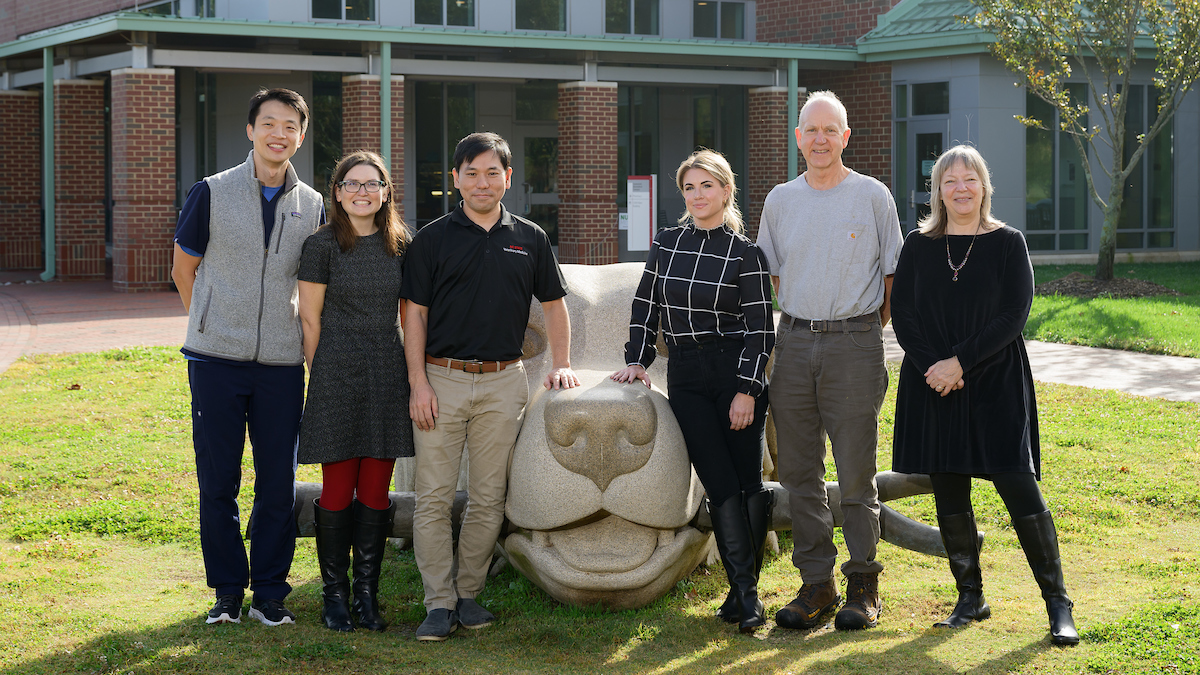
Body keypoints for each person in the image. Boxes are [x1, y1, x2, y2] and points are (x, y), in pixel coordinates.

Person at [890, 145, 1079, 645]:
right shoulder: (918, 244)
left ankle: (1058, 603)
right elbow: (903, 313)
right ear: (938, 190)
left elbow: (1014, 314)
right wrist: (935, 365)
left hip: (995, 382)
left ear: (984, 186)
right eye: (950, 180)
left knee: (1018, 485)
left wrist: (960, 361)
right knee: (949, 486)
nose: (960, 188)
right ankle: (970, 598)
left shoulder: (1008, 243)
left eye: (969, 179)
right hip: (932, 381)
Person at [401, 132, 580, 641]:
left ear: (507, 178)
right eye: (472, 172)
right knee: (433, 497)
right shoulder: (431, 240)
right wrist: (418, 382)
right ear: (455, 178)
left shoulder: (531, 237)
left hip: (505, 382)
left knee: (488, 497)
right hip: (441, 379)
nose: (483, 182)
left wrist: (562, 363)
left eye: (493, 173)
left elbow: (553, 304)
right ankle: (437, 602)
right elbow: (413, 314)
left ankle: (468, 594)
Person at [171, 88, 324, 626]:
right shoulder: (211, 192)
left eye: (290, 127)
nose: (279, 134)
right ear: (251, 129)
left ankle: (270, 593)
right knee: (218, 482)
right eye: (270, 124)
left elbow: (312, 285)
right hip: (214, 361)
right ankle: (228, 593)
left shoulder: (313, 205)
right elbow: (183, 268)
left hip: (281, 365)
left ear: (300, 137)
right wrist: (210, 325)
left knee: (277, 483)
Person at [757, 90, 904, 631]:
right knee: (799, 472)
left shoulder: (872, 196)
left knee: (856, 471)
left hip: (854, 344)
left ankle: (864, 583)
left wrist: (860, 332)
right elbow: (770, 278)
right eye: (810, 130)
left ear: (846, 137)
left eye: (830, 130)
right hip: (792, 343)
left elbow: (893, 278)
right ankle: (817, 583)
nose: (820, 139)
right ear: (798, 139)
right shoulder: (780, 200)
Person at [611, 150, 775, 633]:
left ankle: (743, 593)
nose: (698, 195)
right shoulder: (668, 244)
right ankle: (746, 593)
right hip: (684, 375)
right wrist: (637, 361)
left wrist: (747, 391)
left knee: (746, 481)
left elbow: (761, 331)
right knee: (719, 482)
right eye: (690, 187)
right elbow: (646, 305)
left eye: (707, 186)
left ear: (726, 191)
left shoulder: (746, 254)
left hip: (734, 373)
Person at [296, 151, 412, 633]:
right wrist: (321, 372)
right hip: (336, 372)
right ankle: (334, 596)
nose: (362, 191)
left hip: (387, 369)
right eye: (352, 183)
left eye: (372, 183)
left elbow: (411, 315)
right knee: (339, 486)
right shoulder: (321, 245)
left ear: (386, 192)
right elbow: (309, 317)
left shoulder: (404, 244)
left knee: (376, 490)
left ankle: (368, 596)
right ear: (337, 192)